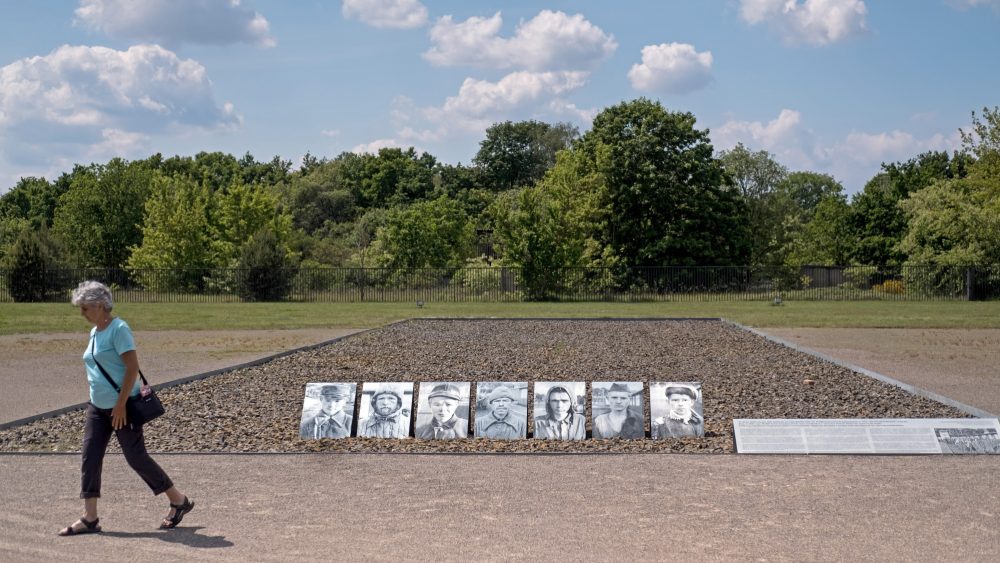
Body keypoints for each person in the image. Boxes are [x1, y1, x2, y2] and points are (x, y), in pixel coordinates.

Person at [59, 281, 193, 536]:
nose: (82, 314)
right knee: (90, 456)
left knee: (135, 457)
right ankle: (90, 518)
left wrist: (119, 406)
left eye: (85, 308)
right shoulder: (95, 332)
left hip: (122, 407)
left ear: (100, 305)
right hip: (97, 408)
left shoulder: (119, 329)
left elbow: (132, 369)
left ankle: (178, 501)